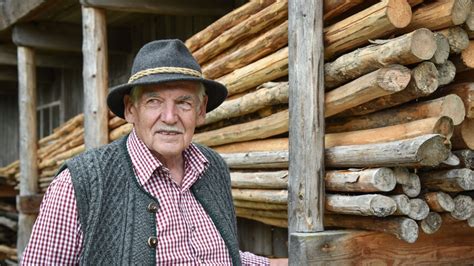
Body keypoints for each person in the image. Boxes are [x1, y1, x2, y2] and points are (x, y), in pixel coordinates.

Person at [22, 39, 288, 265]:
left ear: (201, 109)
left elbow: (218, 255)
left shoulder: (213, 167)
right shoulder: (80, 183)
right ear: (130, 109)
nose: (170, 117)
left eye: (184, 102)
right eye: (154, 101)